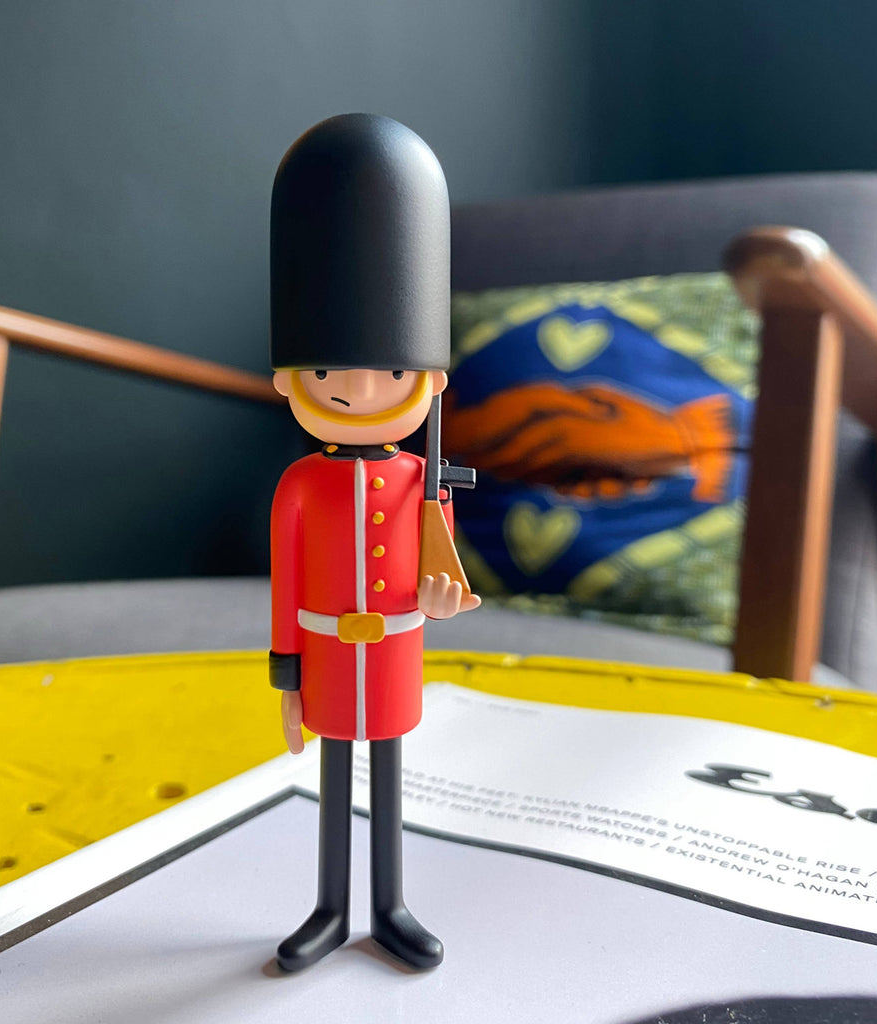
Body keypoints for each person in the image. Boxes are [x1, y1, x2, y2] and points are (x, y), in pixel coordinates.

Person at [268, 114, 479, 972]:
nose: (358, 390)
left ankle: (389, 906)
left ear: (425, 378)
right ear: (292, 379)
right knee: (330, 792)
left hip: (391, 659)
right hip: (323, 655)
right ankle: (328, 909)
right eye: (329, 373)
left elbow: (444, 572)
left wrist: (442, 598)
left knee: (385, 784)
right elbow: (286, 588)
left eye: (389, 373)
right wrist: (286, 679)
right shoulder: (300, 486)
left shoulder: (422, 484)